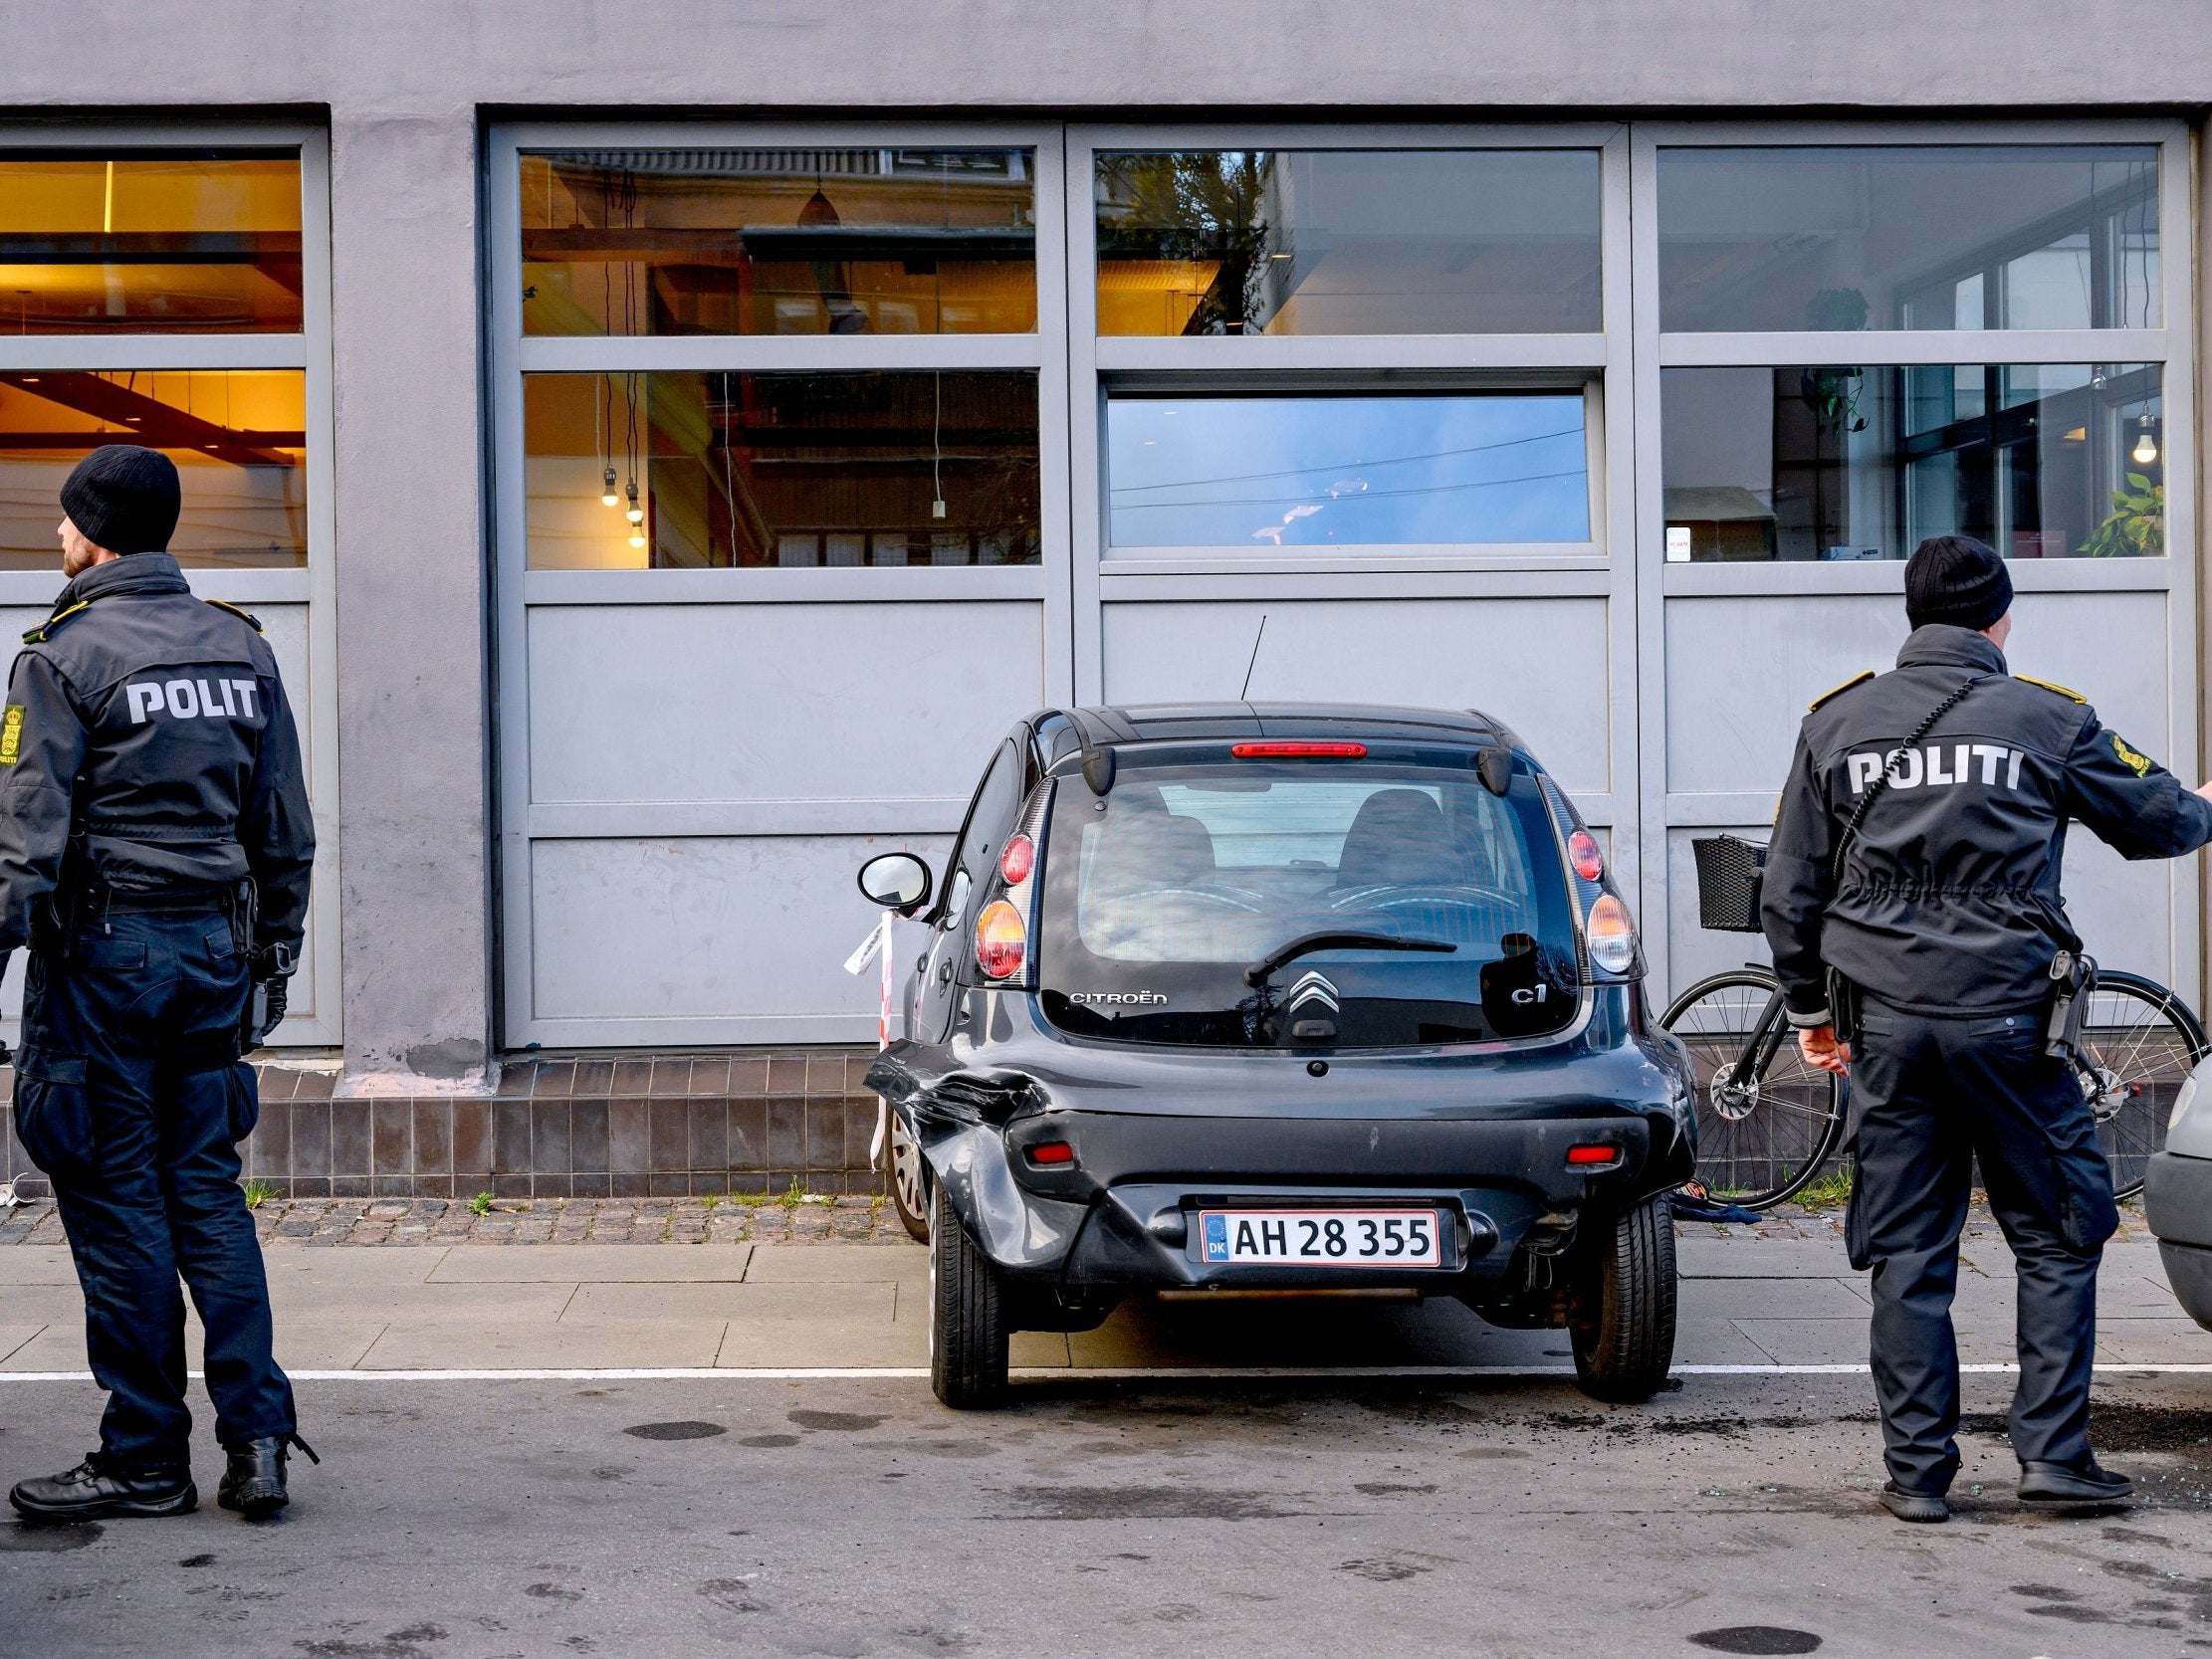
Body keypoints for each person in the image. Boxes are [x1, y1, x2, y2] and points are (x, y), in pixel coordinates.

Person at [1762, 533, 2212, 1524]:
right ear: (1999, 617)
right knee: (2057, 1230)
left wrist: (1805, 1011)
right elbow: (2158, 821)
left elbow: (1788, 886)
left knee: (1906, 1246)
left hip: (1882, 1024)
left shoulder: (1834, 721)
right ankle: (2051, 1457)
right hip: (2009, 1024)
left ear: (1911, 615)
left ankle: (1916, 1472)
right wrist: (2198, 807)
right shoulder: (2045, 716)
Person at [3, 446, 316, 1524]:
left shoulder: (61, 655)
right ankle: (259, 1441)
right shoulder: (242, 645)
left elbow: (25, 846)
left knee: (115, 1196)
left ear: (94, 531)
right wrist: (274, 953)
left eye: (62, 521)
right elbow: (282, 826)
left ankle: (143, 1458)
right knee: (208, 1193)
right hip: (214, 957)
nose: (55, 537)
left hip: (106, 963)